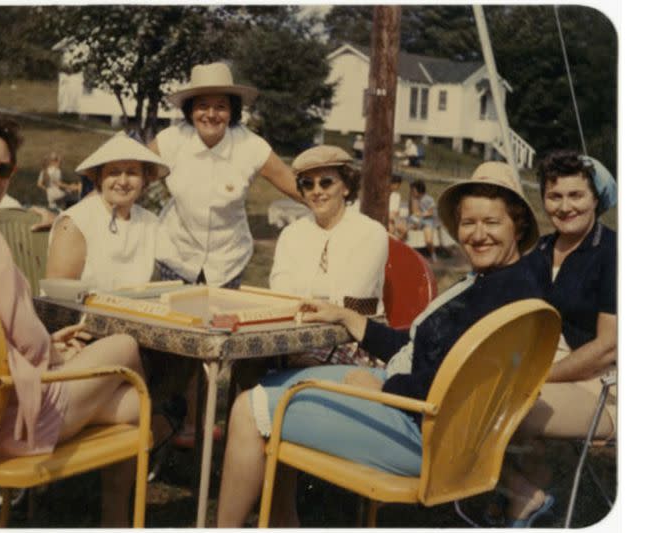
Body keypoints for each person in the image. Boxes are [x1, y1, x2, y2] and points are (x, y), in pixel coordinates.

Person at [215, 161, 544, 527]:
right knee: (271, 387)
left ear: (519, 225)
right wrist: (346, 317)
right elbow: (422, 349)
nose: (478, 234)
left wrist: (382, 385)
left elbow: (455, 382)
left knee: (248, 409)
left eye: (492, 222)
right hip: (427, 420)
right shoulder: (501, 282)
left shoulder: (501, 297)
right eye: (469, 223)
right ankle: (281, 523)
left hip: (420, 433)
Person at [0, 107, 179, 526]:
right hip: (7, 414)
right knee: (124, 347)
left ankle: (114, 518)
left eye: (3, 169)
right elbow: (22, 328)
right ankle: (123, 507)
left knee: (130, 407)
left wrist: (46, 346)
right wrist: (56, 357)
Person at [147, 62, 301, 446]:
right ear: (189, 109)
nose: (211, 114)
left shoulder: (252, 146)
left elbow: (295, 185)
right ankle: (154, 423)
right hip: (175, 255)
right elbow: (127, 173)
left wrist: (338, 209)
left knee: (211, 351)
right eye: (202, 105)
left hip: (226, 262)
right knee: (165, 349)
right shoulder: (171, 141)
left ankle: (197, 431)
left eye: (221, 106)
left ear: (232, 110)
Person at [494, 150, 617, 527]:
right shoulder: (544, 250)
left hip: (603, 386)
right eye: (555, 196)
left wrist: (540, 376)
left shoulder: (614, 252)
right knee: (478, 393)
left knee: (501, 407)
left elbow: (609, 346)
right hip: (547, 372)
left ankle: (522, 493)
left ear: (596, 197)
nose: (564, 207)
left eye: (576, 195)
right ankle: (528, 491)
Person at [269, 145, 387, 367]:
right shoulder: (292, 234)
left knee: (298, 366)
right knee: (244, 363)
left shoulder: (371, 233)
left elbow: (347, 301)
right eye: (307, 184)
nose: (317, 191)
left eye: (326, 182)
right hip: (296, 335)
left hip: (352, 340)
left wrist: (303, 299)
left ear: (345, 187)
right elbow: (281, 295)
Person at [45, 133, 169, 291]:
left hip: (135, 311)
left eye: (132, 173)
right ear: (99, 177)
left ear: (144, 179)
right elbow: (58, 295)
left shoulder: (149, 221)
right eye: (114, 173)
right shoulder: (76, 223)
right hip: (82, 313)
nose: (123, 182)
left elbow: (177, 263)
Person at [408, 179, 437, 261]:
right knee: (405, 229)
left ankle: (433, 254)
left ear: (419, 190)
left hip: (427, 222)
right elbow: (413, 212)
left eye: (413, 190)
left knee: (428, 240)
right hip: (417, 221)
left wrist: (421, 214)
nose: (412, 192)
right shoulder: (415, 199)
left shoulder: (429, 199)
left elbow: (431, 212)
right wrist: (412, 200)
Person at [387, 173, 407, 238]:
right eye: (397, 185)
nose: (398, 187)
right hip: (386, 218)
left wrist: (396, 218)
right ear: (391, 183)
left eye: (399, 185)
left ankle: (397, 243)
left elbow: (397, 211)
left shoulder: (397, 196)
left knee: (404, 230)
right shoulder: (384, 194)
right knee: (391, 230)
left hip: (395, 218)